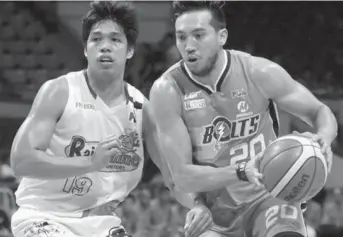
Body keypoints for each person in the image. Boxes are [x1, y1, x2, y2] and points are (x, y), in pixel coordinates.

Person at [9, 2, 212, 237]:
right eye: (96, 39)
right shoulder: (60, 92)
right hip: (45, 218)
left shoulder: (142, 109)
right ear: (86, 49)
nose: (105, 46)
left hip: (101, 226)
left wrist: (198, 203)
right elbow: (21, 161)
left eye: (115, 39)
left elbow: (175, 178)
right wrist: (88, 163)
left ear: (129, 50)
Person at [150, 1, 338, 237]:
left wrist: (324, 137)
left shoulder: (258, 72)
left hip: (270, 195)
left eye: (198, 35)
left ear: (222, 36)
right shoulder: (167, 90)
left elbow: (320, 112)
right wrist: (236, 174)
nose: (189, 46)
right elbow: (183, 177)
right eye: (181, 37)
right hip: (216, 212)